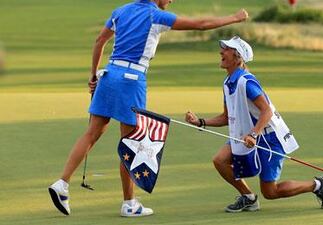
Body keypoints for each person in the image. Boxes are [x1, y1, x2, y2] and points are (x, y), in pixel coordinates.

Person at [48, 0, 249, 217]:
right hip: (131, 80)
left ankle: (62, 183)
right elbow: (200, 24)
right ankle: (129, 204)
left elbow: (99, 41)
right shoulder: (156, 15)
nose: (171, 0)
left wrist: (93, 76)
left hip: (108, 75)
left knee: (92, 133)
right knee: (131, 143)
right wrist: (234, 18)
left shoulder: (121, 10)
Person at [185, 36, 323, 213]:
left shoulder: (246, 82)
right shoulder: (228, 83)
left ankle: (318, 185)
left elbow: (267, 111)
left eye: (226, 49)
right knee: (220, 160)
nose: (221, 52)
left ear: (237, 57)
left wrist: (254, 134)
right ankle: (248, 197)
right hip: (248, 134)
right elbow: (227, 117)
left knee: (271, 192)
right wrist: (201, 122)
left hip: (269, 137)